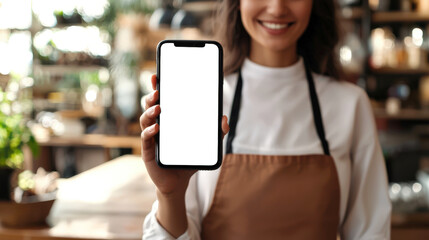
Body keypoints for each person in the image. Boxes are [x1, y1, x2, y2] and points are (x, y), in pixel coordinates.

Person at [140, 0, 391, 239]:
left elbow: (371, 233)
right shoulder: (204, 103)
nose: (277, 7)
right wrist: (170, 194)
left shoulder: (350, 105)